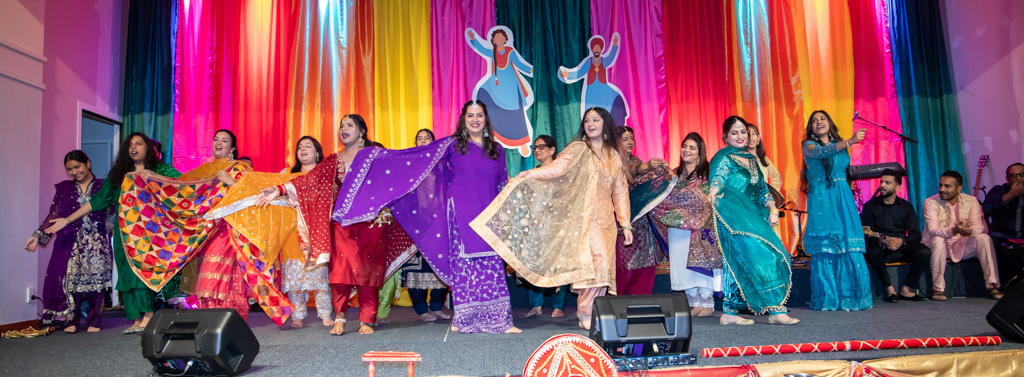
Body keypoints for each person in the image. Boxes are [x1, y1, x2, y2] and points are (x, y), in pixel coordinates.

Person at [332, 101, 521, 334]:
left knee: (491, 265)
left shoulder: (497, 150)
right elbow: (418, 160)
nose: (475, 119)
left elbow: (502, 183)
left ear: (485, 119)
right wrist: (377, 156)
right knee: (464, 266)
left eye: (479, 115)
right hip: (460, 213)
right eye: (470, 115)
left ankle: (501, 320)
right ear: (463, 119)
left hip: (489, 215)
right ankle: (465, 319)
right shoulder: (452, 146)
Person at [472, 107, 633, 330]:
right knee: (591, 265)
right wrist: (532, 173)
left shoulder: (614, 155)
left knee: (603, 268)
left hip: (606, 220)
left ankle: (594, 309)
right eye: (587, 120)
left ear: (605, 124)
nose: (590, 123)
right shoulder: (579, 149)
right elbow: (558, 167)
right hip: (583, 219)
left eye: (595, 120)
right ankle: (585, 312)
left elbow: (620, 191)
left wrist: (625, 224)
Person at [259, 114, 411, 335]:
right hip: (343, 223)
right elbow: (307, 180)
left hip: (372, 222)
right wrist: (278, 189)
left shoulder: (375, 155)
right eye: (341, 126)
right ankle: (340, 315)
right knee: (340, 271)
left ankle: (366, 319)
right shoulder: (333, 160)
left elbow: (394, 178)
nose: (344, 129)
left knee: (368, 272)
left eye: (350, 125)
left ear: (361, 132)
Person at [45, 133, 181, 334]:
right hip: (123, 231)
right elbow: (97, 201)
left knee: (142, 273)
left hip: (149, 233)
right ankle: (135, 319)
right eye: (130, 144)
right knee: (126, 274)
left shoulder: (160, 170)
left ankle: (148, 316)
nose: (134, 147)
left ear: (148, 149)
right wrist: (67, 219)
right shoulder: (119, 174)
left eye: (139, 143)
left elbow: (184, 186)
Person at [710, 116, 797, 325]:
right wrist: (712, 192)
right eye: (734, 132)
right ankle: (731, 312)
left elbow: (763, 191)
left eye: (743, 132)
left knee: (772, 256)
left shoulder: (752, 160)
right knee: (738, 261)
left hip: (754, 217)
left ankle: (774, 310)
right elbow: (718, 179)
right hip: (733, 218)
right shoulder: (724, 157)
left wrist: (773, 208)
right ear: (725, 137)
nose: (740, 136)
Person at [25, 151, 112, 333]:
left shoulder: (103, 186)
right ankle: (71, 321)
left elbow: (113, 212)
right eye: (69, 169)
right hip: (71, 241)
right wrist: (37, 234)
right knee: (71, 282)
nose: (74, 172)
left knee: (97, 281)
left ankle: (94, 320)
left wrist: (110, 226)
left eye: (77, 167)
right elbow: (54, 215)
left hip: (96, 241)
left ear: (87, 163)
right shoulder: (64, 189)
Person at [800, 110, 873, 311]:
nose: (818, 122)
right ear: (811, 128)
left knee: (850, 243)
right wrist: (849, 141)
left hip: (843, 196)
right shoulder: (809, 146)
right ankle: (829, 298)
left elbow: (839, 163)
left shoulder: (839, 145)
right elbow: (823, 152)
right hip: (823, 198)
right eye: (814, 121)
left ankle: (852, 297)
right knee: (827, 247)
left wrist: (846, 143)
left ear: (829, 123)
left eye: (822, 118)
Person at [652, 133, 722, 317]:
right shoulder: (674, 175)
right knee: (682, 264)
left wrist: (695, 214)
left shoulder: (708, 173)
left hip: (702, 228)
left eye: (692, 147)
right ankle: (694, 302)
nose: (687, 151)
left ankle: (707, 302)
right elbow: (666, 199)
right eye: (685, 146)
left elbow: (708, 199)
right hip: (678, 229)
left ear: (700, 152)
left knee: (703, 264)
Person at [279, 136, 334, 328]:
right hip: (292, 231)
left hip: (317, 230)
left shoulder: (325, 174)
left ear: (317, 152)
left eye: (308, 146)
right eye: (300, 147)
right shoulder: (286, 175)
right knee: (294, 277)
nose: (303, 150)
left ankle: (325, 313)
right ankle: (297, 314)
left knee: (319, 274)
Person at [924, 170, 1003, 300]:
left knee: (984, 238)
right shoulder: (930, 202)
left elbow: (978, 226)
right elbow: (933, 230)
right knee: (938, 239)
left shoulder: (971, 201)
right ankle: (938, 289)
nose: (942, 189)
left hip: (963, 244)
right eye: (940, 185)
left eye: (947, 186)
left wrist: (969, 232)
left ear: (959, 188)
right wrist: (954, 230)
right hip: (939, 246)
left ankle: (992, 286)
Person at [859, 169, 930, 302]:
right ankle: (889, 289)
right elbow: (865, 232)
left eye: (887, 182)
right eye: (881, 182)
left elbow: (915, 234)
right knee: (873, 252)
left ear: (897, 187)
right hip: (880, 246)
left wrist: (901, 241)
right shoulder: (870, 206)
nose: (882, 185)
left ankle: (907, 289)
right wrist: (880, 239)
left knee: (924, 251)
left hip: (901, 246)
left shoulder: (906, 207)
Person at [615, 126, 670, 296]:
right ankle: (617, 301)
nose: (630, 141)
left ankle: (639, 298)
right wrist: (647, 166)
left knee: (645, 262)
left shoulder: (636, 160)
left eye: (631, 138)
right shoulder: (612, 162)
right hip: (620, 220)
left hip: (640, 223)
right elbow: (630, 171)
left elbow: (641, 179)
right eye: (625, 139)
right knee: (621, 265)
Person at [402, 128, 451, 322]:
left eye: (427, 138)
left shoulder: (442, 165)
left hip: (439, 222)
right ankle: (421, 309)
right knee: (416, 266)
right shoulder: (409, 166)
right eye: (419, 138)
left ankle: (437, 306)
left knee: (440, 263)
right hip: (415, 224)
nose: (423, 140)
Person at [466, 27, 535, 157]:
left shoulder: (510, 52)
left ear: (505, 39)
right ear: (493, 40)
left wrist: (532, 71)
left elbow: (520, 65)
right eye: (496, 37)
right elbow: (482, 50)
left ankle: (523, 143)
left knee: (516, 114)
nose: (498, 39)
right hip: (495, 86)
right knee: (483, 94)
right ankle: (494, 135)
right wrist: (474, 39)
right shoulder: (492, 51)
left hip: (510, 88)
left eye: (501, 37)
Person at [521, 135, 570, 318]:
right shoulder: (532, 174)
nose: (537, 150)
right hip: (536, 226)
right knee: (535, 263)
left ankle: (558, 306)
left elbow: (566, 199)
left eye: (542, 147)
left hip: (557, 224)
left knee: (559, 264)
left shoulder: (561, 173)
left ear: (552, 150)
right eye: (535, 148)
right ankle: (536, 305)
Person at [558, 33, 629, 126]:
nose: (596, 50)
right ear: (592, 49)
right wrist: (567, 74)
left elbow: (611, 58)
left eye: (598, 48)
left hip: (604, 90)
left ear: (601, 49)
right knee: (593, 114)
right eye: (595, 48)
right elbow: (579, 72)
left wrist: (614, 46)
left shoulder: (603, 61)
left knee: (617, 99)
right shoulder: (589, 61)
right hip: (592, 92)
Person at [983, 162, 1024, 283]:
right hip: (1002, 235)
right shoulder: (999, 190)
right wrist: (1011, 194)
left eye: (1021, 174)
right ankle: (1003, 283)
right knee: (992, 242)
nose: (1018, 178)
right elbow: (987, 208)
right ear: (1007, 178)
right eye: (1013, 175)